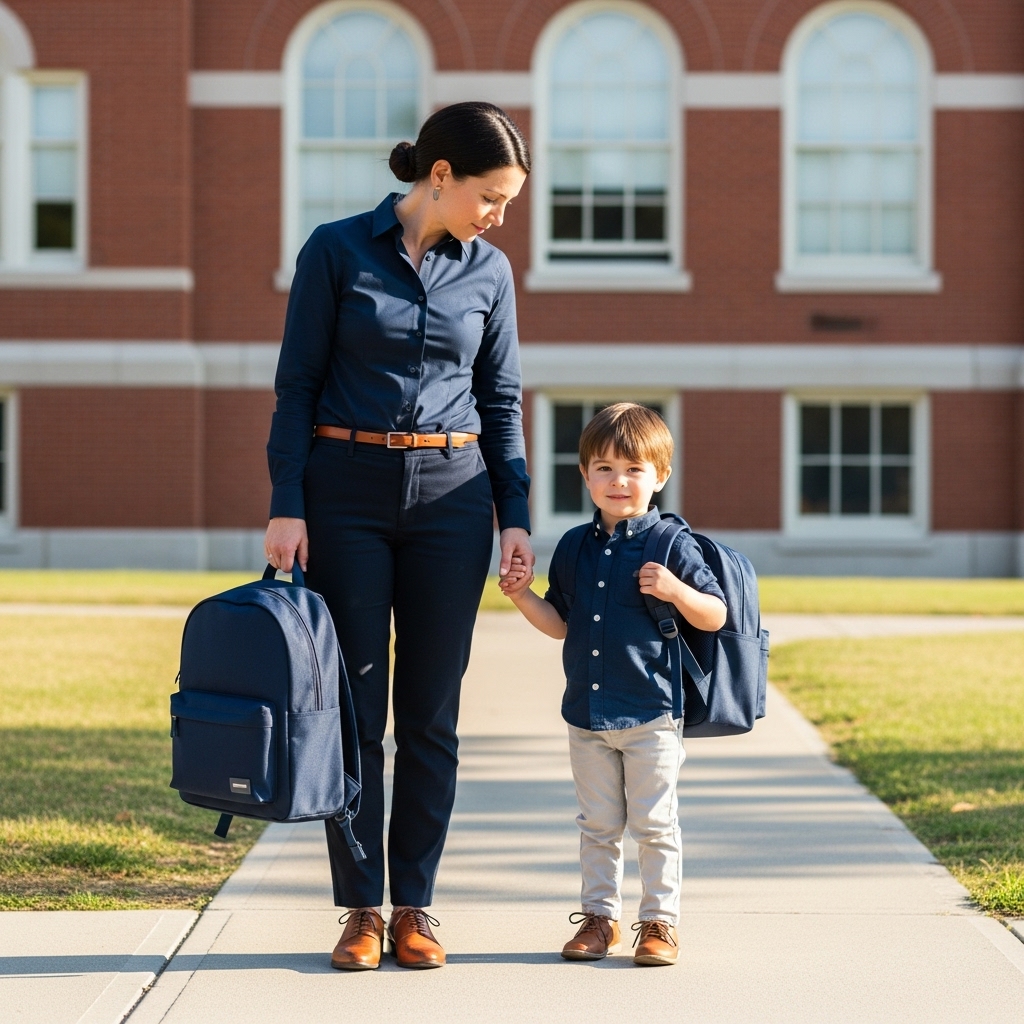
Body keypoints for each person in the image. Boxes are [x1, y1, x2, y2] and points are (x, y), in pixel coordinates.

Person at [264, 102, 534, 971]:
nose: (498, 218)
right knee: (355, 712)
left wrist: (515, 516)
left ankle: (414, 905)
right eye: (491, 197)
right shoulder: (335, 250)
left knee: (430, 713)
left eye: (508, 204)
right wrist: (287, 500)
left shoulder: (489, 272)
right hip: (345, 491)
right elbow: (297, 386)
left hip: (453, 501)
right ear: (441, 175)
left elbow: (501, 405)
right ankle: (359, 909)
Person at [500, 403, 727, 966]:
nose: (618, 480)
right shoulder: (574, 546)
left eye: (633, 469)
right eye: (603, 468)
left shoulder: (673, 546)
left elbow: (715, 615)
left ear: (660, 477)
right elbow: (560, 625)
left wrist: (677, 591)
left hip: (652, 713)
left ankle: (659, 924)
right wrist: (522, 596)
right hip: (587, 715)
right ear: (584, 476)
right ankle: (599, 920)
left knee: (654, 824)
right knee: (598, 825)